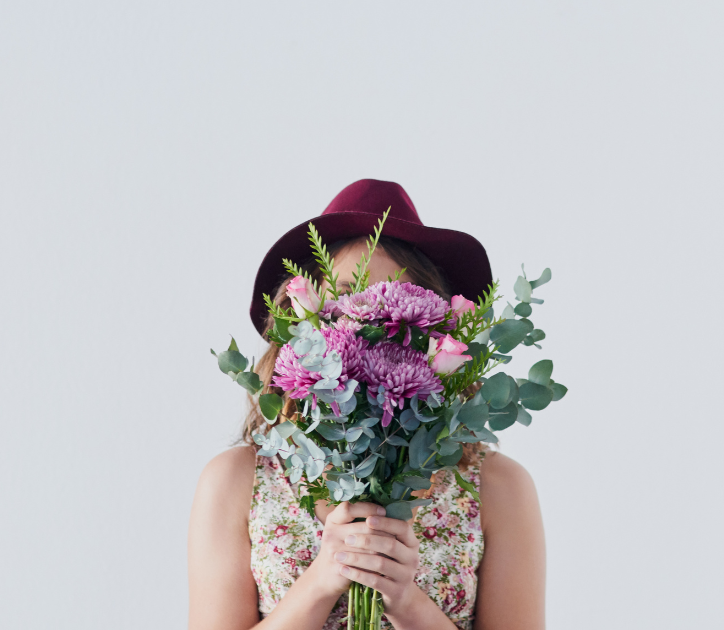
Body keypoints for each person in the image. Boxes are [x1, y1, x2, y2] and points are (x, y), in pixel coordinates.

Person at [187, 180, 547, 630]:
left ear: (437, 329)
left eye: (393, 307)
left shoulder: (499, 488)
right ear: (300, 321)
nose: (368, 327)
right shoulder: (237, 481)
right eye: (344, 300)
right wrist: (321, 581)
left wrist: (405, 600)